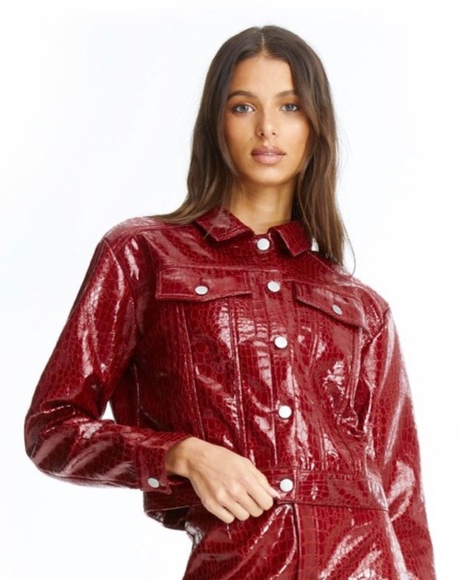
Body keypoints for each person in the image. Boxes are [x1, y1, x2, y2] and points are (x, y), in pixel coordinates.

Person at [24, 25, 436, 579]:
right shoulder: (143, 253)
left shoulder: (362, 305)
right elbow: (52, 429)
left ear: (315, 126)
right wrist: (181, 454)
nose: (268, 127)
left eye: (290, 106)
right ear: (216, 123)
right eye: (244, 106)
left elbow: (401, 496)